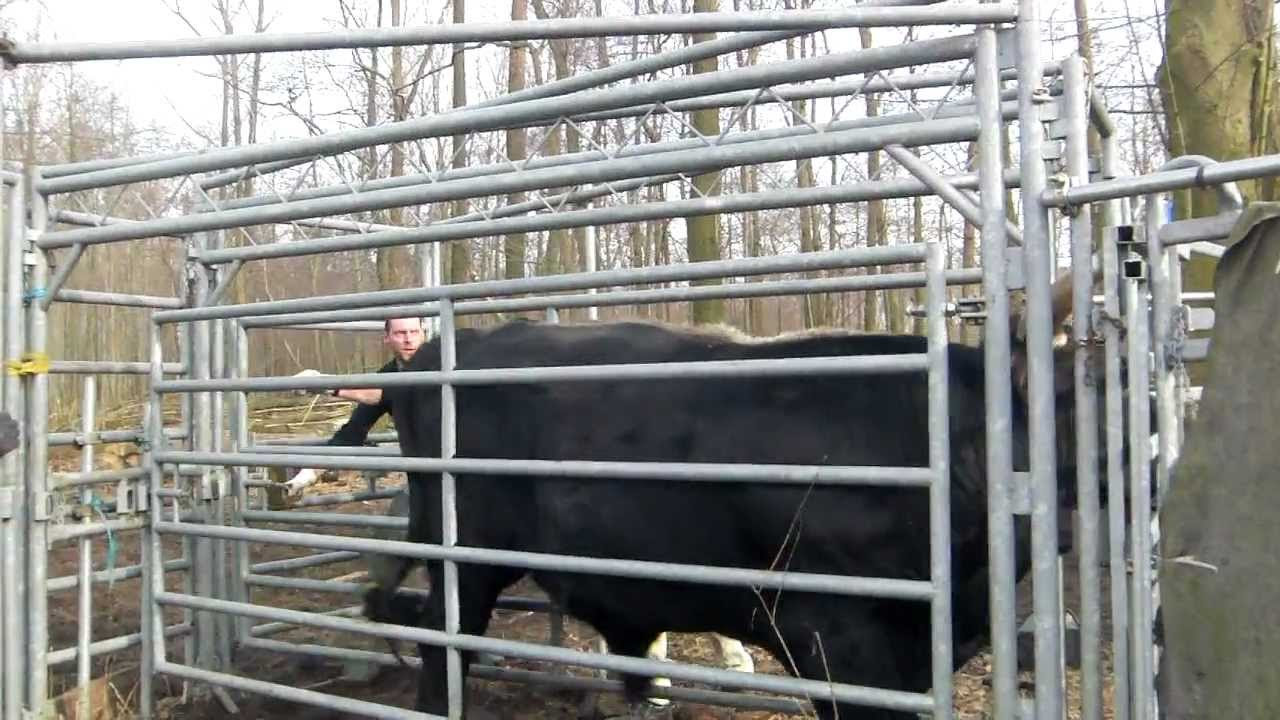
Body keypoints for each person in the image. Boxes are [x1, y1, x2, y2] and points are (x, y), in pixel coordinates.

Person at [283, 316, 426, 496]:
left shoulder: (441, 363)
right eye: (400, 333)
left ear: (423, 334)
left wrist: (326, 384)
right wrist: (309, 473)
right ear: (387, 338)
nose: (408, 339)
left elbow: (383, 394)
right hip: (424, 468)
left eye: (414, 332)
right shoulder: (388, 374)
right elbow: (353, 431)